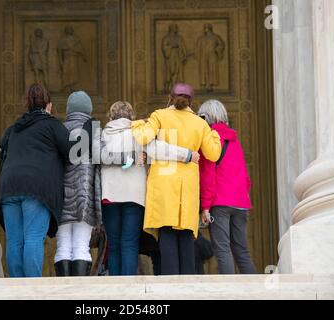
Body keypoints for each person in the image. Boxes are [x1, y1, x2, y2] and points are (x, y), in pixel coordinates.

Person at [99, 101, 200, 276]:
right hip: (135, 196)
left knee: (113, 244)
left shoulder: (102, 135)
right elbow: (160, 150)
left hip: (110, 195)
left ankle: (115, 287)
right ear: (132, 116)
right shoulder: (138, 133)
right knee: (129, 243)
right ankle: (128, 287)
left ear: (110, 116)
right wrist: (188, 155)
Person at [131, 83, 222, 275]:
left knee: (167, 235)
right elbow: (213, 154)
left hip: (163, 185)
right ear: (191, 101)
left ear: (170, 98)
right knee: (187, 237)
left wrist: (138, 124)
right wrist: (213, 132)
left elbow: (142, 138)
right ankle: (187, 286)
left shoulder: (159, 115)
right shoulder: (200, 123)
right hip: (187, 187)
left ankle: (170, 286)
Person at [0, 83, 72, 278]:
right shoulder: (53, 125)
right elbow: (73, 153)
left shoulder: (13, 129)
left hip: (8, 187)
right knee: (33, 237)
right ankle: (31, 289)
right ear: (49, 105)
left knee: (14, 240)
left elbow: (1, 154)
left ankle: (16, 288)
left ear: (27, 104)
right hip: (36, 189)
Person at [198, 99, 257, 274]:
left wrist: (205, 206)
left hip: (220, 204)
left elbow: (208, 176)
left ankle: (229, 292)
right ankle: (255, 291)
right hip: (241, 203)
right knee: (242, 250)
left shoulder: (211, 141)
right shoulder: (235, 140)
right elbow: (245, 177)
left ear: (205, 117)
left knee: (223, 250)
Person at [54, 91, 101, 277]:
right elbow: (101, 160)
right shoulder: (94, 129)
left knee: (63, 245)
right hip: (85, 194)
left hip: (61, 197)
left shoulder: (59, 129)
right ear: (89, 110)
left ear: (68, 109)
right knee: (82, 246)